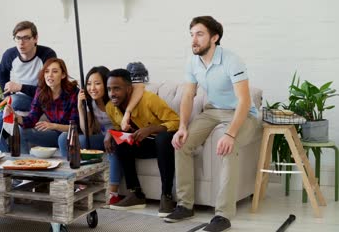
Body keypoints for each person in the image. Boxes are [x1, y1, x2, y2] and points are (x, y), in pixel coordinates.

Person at [164, 16, 260, 232]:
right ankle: (185, 205)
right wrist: (182, 127)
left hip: (242, 114)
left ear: (214, 38)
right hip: (213, 111)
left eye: (200, 34)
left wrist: (231, 134)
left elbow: (244, 101)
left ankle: (223, 215)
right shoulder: (192, 62)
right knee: (182, 143)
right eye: (191, 35)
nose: (194, 40)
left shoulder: (232, 60)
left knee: (229, 147)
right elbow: (188, 95)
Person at [57, 66, 145, 205]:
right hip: (101, 137)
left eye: (97, 83)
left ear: (107, 83)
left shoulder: (115, 98)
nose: (92, 88)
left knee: (113, 144)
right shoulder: (91, 102)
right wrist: (81, 108)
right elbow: (87, 132)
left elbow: (139, 86)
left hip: (121, 136)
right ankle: (77, 183)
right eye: (89, 84)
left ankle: (112, 193)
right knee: (64, 138)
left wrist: (124, 117)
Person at [104, 69, 179, 217]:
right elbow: (119, 127)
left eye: (116, 88)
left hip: (163, 145)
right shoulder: (110, 107)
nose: (112, 93)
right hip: (143, 145)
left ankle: (167, 196)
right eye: (109, 89)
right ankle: (136, 194)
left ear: (128, 88)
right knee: (120, 142)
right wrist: (109, 134)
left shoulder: (149, 100)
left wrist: (150, 129)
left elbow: (177, 121)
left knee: (162, 138)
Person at [0, 20, 56, 152]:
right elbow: (2, 73)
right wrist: (7, 95)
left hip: (43, 101)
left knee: (16, 99)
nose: (21, 42)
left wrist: (20, 87)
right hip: (18, 102)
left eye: (26, 38)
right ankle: (7, 163)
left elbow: (50, 90)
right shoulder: (10, 55)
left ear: (35, 38)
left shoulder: (47, 55)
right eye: (18, 38)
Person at [8, 58, 79, 153]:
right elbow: (31, 120)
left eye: (55, 71)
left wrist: (53, 126)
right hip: (54, 135)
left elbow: (75, 126)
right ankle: (24, 163)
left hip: (72, 135)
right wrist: (15, 117)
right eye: (46, 71)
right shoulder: (41, 92)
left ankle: (69, 166)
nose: (50, 75)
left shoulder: (73, 92)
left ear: (63, 75)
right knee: (21, 131)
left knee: (63, 137)